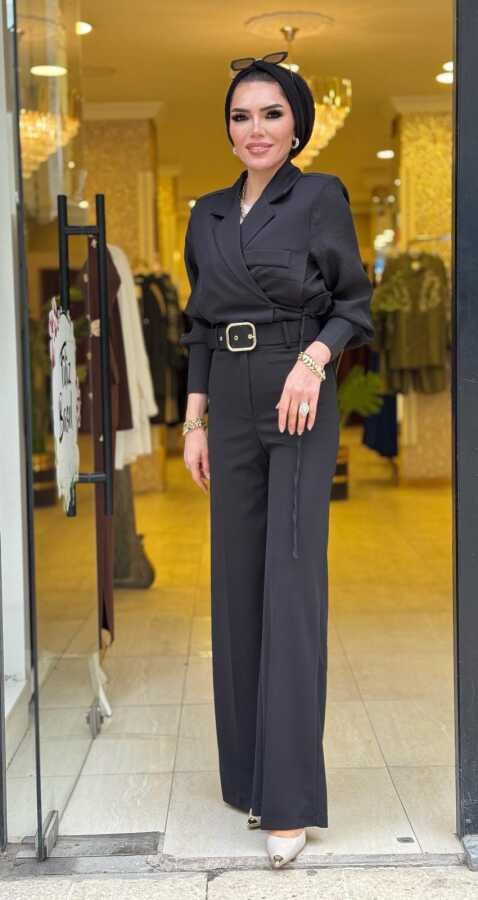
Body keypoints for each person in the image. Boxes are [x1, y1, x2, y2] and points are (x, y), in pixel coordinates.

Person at [179, 51, 374, 868]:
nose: (254, 129)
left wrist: (313, 363)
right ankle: (247, 776)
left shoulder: (318, 195)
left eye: (270, 114)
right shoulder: (206, 213)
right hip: (227, 397)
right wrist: (193, 420)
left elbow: (353, 304)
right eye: (240, 116)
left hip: (298, 394)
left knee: (291, 584)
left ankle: (289, 797)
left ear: (297, 124)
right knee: (236, 583)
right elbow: (197, 326)